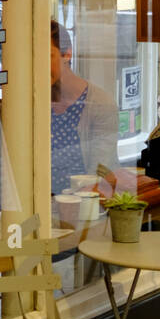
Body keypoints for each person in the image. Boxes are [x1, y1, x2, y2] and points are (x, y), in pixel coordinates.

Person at [50, 20, 118, 193]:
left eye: (47, 56)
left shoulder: (100, 104)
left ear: (67, 54)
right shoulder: (33, 102)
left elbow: (99, 173)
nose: (38, 65)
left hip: (84, 209)